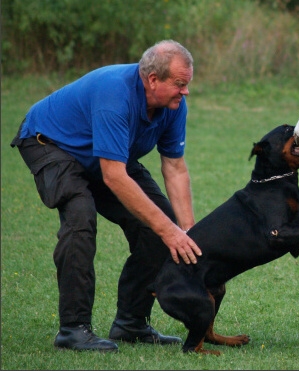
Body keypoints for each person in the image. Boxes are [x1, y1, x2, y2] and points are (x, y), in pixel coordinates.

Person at [11, 39, 202, 352]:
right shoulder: (115, 93)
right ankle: (73, 330)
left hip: (107, 156)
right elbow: (113, 176)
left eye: (188, 85)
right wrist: (170, 231)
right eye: (180, 84)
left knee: (159, 225)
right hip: (52, 144)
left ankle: (131, 323)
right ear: (153, 80)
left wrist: (188, 231)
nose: (186, 92)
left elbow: (175, 168)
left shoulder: (173, 106)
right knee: (80, 218)